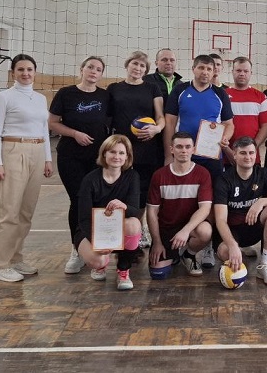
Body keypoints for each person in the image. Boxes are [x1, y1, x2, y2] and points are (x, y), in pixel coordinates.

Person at [164, 54, 234, 268]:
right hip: (184, 156)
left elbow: (229, 123)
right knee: (181, 199)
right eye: (201, 68)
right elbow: (170, 123)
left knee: (210, 202)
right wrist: (169, 154)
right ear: (193, 69)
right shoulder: (180, 90)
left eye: (209, 69)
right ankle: (176, 240)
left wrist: (225, 137)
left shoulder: (220, 93)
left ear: (214, 72)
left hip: (211, 157)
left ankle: (208, 246)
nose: (205, 72)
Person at [0, 54, 53, 282]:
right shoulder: (3, 98)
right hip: (13, 151)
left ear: (35, 72)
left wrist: (47, 159)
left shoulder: (40, 99)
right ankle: (0, 265)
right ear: (13, 73)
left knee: (26, 212)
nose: (25, 73)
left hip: (37, 151)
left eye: (29, 69)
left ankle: (15, 259)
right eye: (21, 69)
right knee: (9, 212)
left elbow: (44, 129)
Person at [48, 56, 111, 275]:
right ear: (82, 69)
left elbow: (111, 123)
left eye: (98, 69)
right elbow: (52, 123)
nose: (94, 71)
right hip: (71, 157)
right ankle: (77, 250)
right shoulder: (66, 93)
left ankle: (97, 253)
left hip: (97, 159)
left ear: (101, 74)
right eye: (90, 67)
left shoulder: (105, 96)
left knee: (98, 203)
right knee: (77, 202)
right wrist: (74, 134)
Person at [106, 51, 166, 257]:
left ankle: (137, 231)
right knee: (119, 190)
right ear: (127, 65)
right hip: (121, 150)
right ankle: (118, 235)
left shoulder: (152, 88)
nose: (138, 68)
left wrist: (156, 129)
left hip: (146, 148)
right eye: (135, 64)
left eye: (142, 66)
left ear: (146, 70)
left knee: (141, 193)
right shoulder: (114, 88)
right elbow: (107, 119)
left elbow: (161, 117)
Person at [213, 137, 267, 285]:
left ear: (256, 154)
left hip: (253, 228)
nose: (248, 157)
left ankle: (264, 264)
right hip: (231, 231)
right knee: (227, 254)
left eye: (251, 153)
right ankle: (238, 251)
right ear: (234, 155)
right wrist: (232, 246)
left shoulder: (263, 173)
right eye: (243, 153)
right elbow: (220, 220)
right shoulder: (224, 180)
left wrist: (262, 202)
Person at [75, 135, 142, 291]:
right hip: (93, 229)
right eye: (112, 152)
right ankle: (100, 266)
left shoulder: (132, 177)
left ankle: (123, 270)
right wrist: (98, 242)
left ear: (127, 157)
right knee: (98, 261)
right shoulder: (90, 179)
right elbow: (84, 218)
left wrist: (124, 206)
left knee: (134, 224)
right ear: (104, 153)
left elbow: (135, 210)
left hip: (117, 229)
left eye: (121, 153)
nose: (117, 156)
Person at [147, 132, 214, 279]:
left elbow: (205, 209)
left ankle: (188, 254)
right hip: (167, 229)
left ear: (193, 149)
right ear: (172, 149)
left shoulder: (203, 173)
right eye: (179, 147)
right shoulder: (159, 175)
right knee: (158, 274)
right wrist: (157, 242)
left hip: (190, 228)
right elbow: (151, 212)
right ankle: (175, 254)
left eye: (188, 147)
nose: (184, 150)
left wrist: (185, 231)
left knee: (205, 231)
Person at [224, 56, 267, 165]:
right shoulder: (223, 96)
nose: (242, 74)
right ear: (232, 72)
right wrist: (228, 151)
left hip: (252, 158)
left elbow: (266, 127)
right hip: (227, 157)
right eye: (238, 70)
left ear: (251, 73)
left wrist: (252, 149)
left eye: (245, 71)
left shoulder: (261, 97)